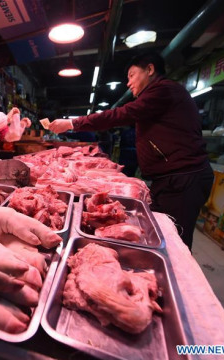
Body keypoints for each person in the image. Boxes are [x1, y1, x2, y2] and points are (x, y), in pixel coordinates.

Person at [48, 52, 214, 250]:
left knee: (174, 241)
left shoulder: (164, 90)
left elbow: (122, 114)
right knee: (162, 234)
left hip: (183, 179)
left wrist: (72, 123)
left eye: (132, 75)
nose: (128, 83)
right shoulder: (162, 94)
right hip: (174, 178)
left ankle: (178, 280)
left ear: (150, 70)